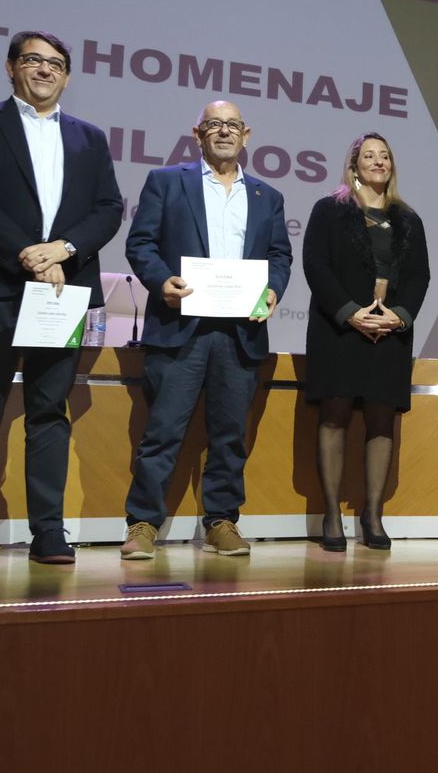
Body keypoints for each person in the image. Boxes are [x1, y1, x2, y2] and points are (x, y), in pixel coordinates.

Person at [0, 30, 124, 570]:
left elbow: (108, 208)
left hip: (62, 287)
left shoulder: (89, 137)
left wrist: (62, 250)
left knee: (49, 411)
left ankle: (48, 532)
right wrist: (26, 254)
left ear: (66, 75)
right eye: (34, 60)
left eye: (56, 63)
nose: (45, 70)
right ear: (11, 67)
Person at [119, 100, 294, 560]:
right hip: (181, 327)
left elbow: (280, 257)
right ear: (197, 134)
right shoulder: (166, 182)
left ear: (246, 135)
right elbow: (140, 244)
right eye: (214, 125)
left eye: (231, 126)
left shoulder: (267, 197)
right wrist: (161, 282)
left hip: (240, 332)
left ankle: (221, 521)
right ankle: (142, 524)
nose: (223, 132)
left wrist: (272, 291)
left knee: (230, 435)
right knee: (162, 432)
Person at [303, 133, 431, 551]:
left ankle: (373, 514)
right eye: (369, 155)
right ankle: (332, 516)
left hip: (389, 333)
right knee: (334, 415)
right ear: (354, 164)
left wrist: (401, 315)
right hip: (339, 330)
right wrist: (348, 312)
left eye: (385, 155)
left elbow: (419, 276)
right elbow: (316, 266)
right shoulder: (330, 210)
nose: (378, 161)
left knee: (381, 420)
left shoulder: (408, 218)